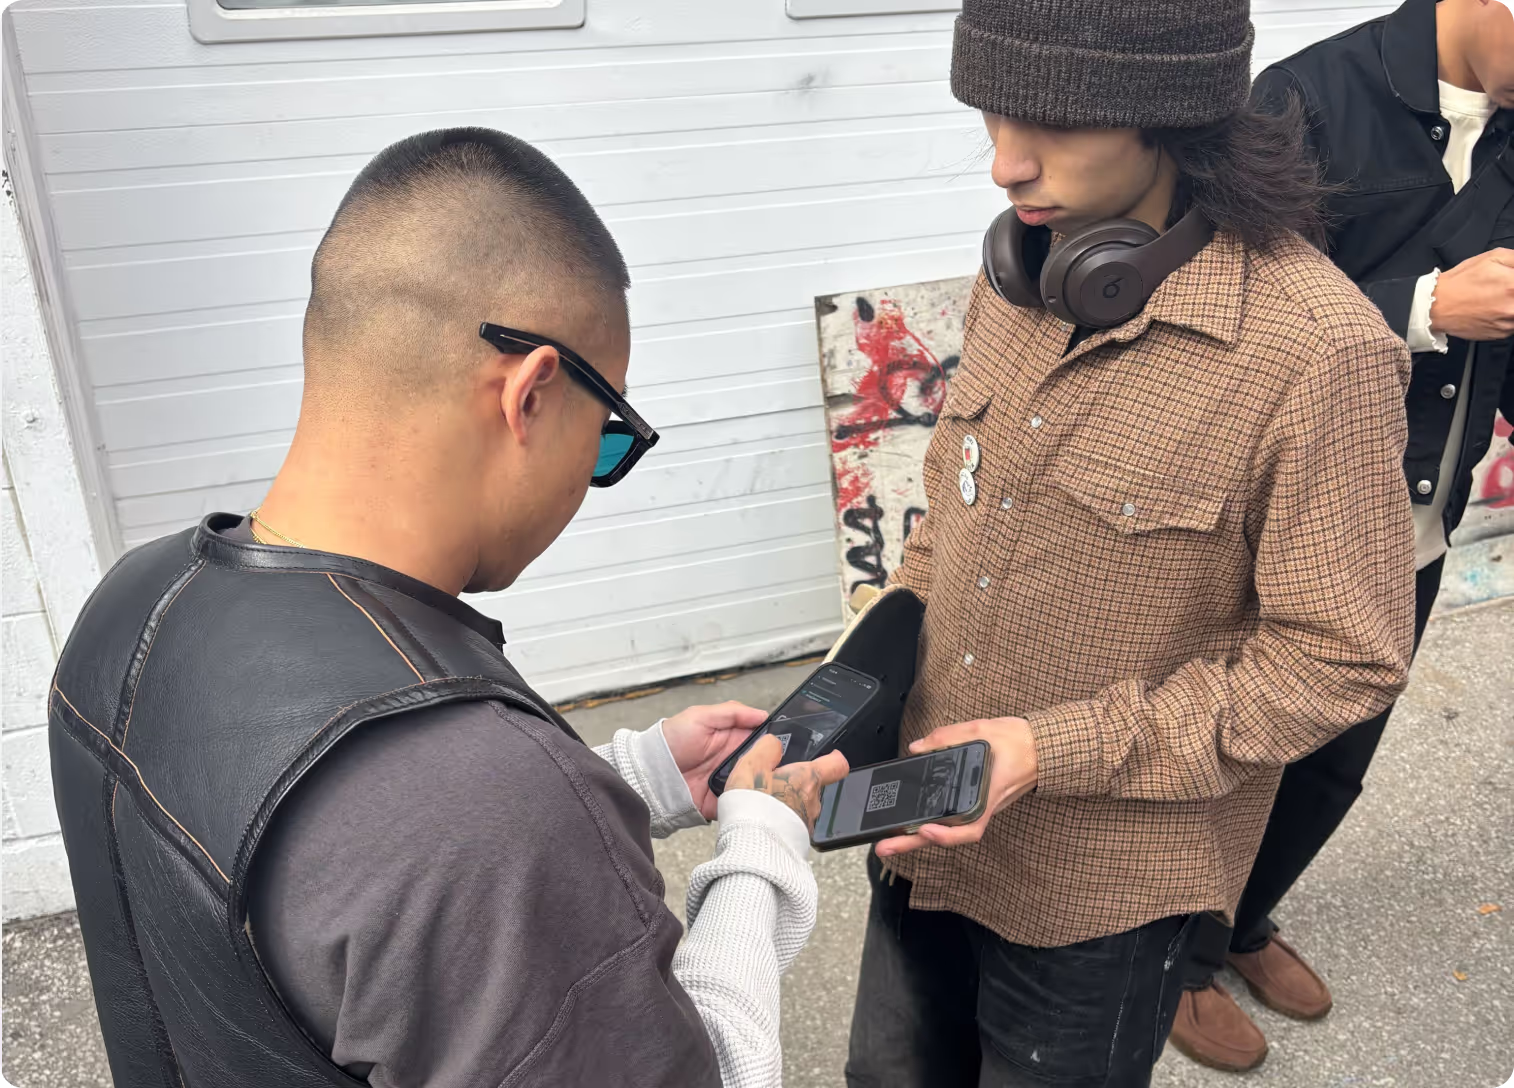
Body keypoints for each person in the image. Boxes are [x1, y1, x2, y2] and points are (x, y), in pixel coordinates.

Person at [46, 127, 848, 1088]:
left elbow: (330, 890)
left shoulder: (133, 603)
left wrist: (633, 779)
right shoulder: (486, 810)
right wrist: (762, 842)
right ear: (533, 393)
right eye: (607, 440)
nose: (596, 478)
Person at [840, 3, 1420, 1086]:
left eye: (1051, 126)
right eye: (991, 118)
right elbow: (947, 530)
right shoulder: (1019, 274)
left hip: (1100, 901)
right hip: (923, 827)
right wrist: (851, 692)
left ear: (1171, 116)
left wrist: (1050, 748)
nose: (1005, 166)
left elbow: (1339, 657)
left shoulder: (1317, 352)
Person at [1169, 0, 1514, 1071]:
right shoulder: (1302, 99)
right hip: (1279, 524)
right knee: (1229, 753)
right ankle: (1171, 962)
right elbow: (1212, 314)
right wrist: (1421, 307)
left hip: (1415, 516)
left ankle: (1239, 918)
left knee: (1331, 763)